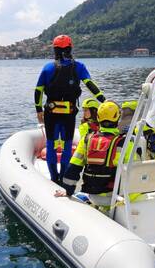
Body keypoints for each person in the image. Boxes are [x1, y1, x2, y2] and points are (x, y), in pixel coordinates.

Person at [35, 35, 105, 183]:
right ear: (70, 48)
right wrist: (103, 100)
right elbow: (90, 85)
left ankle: (54, 178)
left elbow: (38, 90)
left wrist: (38, 109)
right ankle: (63, 178)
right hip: (69, 113)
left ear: (55, 50)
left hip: (51, 113)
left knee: (51, 144)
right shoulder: (79, 66)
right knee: (67, 145)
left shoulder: (47, 68)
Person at [56, 101, 126, 197]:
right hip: (115, 196)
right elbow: (135, 172)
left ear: (98, 117)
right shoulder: (126, 142)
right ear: (118, 118)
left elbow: (73, 168)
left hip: (92, 195)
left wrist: (68, 191)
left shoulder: (86, 140)